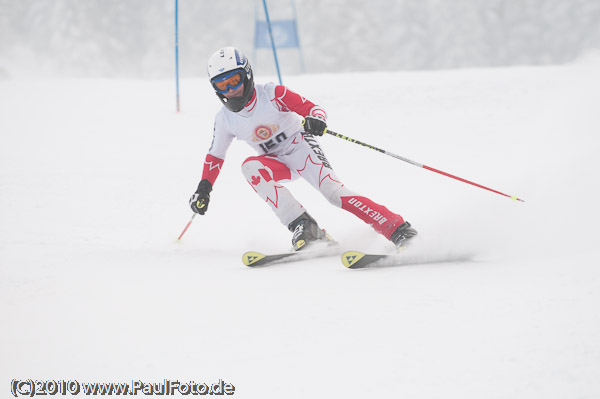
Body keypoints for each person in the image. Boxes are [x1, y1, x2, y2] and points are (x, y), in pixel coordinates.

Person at [189, 47, 417, 251]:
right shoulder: (225, 119)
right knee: (250, 167)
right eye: (222, 84)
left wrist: (315, 120)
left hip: (302, 149)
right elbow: (215, 156)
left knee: (334, 194)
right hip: (276, 162)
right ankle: (305, 227)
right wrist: (204, 188)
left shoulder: (271, 94)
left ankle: (398, 229)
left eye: (235, 80)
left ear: (247, 74)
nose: (230, 89)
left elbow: (312, 108)